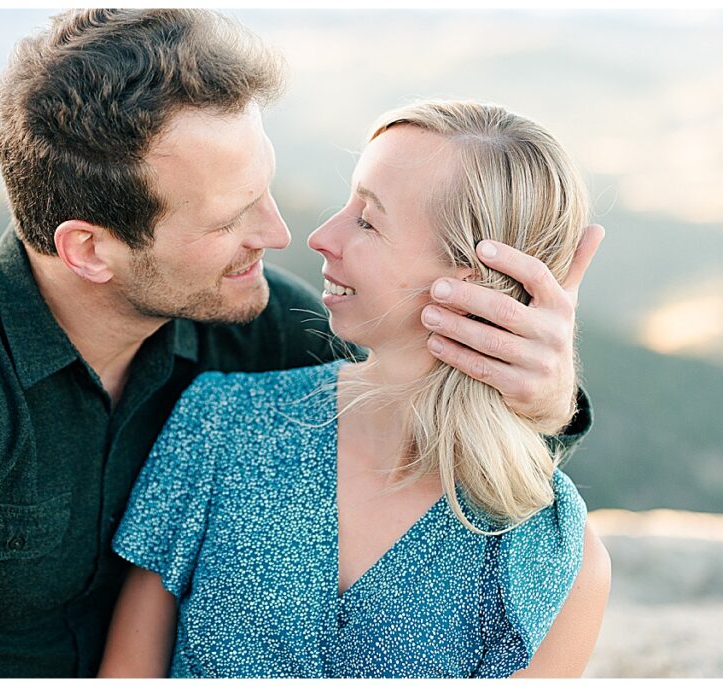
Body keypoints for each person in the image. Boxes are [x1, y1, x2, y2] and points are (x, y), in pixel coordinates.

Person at [0, 10, 602, 679]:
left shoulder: (265, 328)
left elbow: (417, 410)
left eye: (266, 189)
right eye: (230, 217)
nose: (279, 233)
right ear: (90, 249)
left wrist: (549, 400)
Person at [98, 100, 610, 679]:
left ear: (468, 273)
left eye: (367, 220)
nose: (319, 237)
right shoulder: (220, 422)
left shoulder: (555, 551)